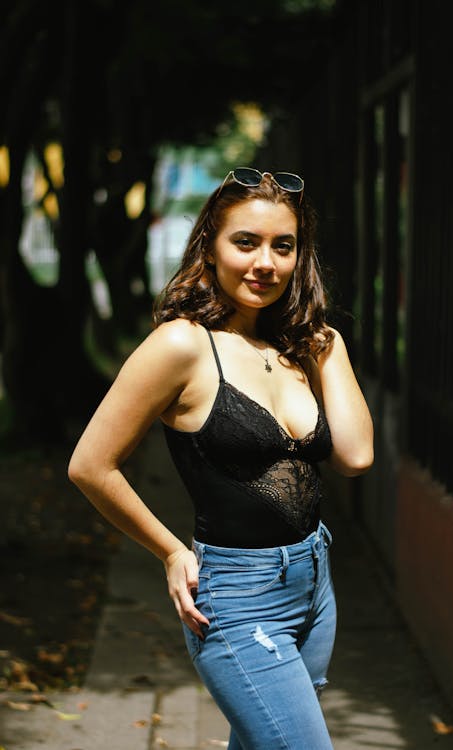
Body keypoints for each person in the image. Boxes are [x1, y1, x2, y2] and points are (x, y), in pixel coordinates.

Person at [68, 167, 373, 749]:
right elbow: (90, 464)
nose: (266, 263)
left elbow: (356, 456)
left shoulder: (296, 346)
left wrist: (328, 344)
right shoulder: (181, 344)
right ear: (210, 246)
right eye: (246, 243)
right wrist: (169, 551)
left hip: (314, 583)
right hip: (237, 596)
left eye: (283, 246)